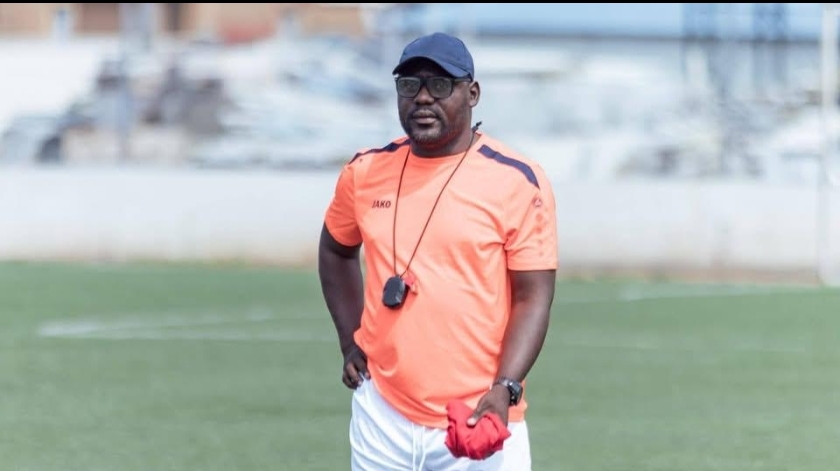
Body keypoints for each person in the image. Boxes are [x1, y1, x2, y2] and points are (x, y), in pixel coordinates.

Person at [318, 31, 558, 471]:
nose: (423, 97)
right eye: (409, 85)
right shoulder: (365, 171)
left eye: (440, 84)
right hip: (382, 415)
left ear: (473, 94)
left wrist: (505, 388)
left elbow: (533, 297)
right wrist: (350, 341)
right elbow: (336, 251)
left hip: (480, 413)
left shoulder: (518, 180)